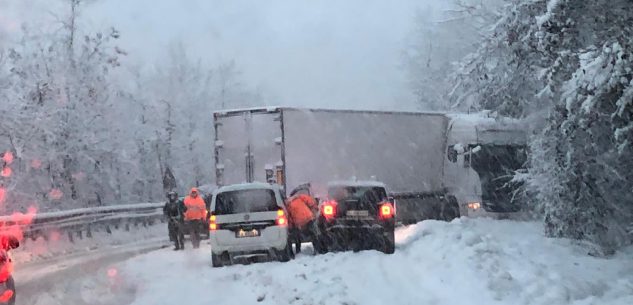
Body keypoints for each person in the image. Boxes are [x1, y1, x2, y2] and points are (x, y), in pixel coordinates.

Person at [286, 184, 318, 254]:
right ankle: (317, 249)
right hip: (309, 218)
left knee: (297, 237)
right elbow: (310, 201)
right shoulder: (299, 198)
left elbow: (290, 218)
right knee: (313, 235)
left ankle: (298, 251)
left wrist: (291, 227)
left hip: (300, 223)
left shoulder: (288, 206)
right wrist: (314, 207)